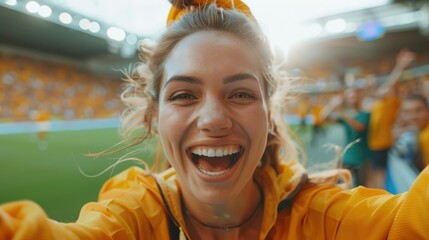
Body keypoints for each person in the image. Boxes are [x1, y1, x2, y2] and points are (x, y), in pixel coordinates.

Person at [1, 1, 428, 239]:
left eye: (240, 93)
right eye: (184, 94)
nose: (212, 118)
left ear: (269, 112)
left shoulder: (324, 219)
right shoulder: (135, 217)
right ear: (155, 115)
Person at [366, 49, 416, 189]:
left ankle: (383, 201)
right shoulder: (378, 103)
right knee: (374, 174)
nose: (384, 89)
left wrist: (400, 66)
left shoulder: (392, 101)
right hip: (374, 144)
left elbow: (391, 83)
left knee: (381, 175)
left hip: (383, 143)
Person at [322, 88, 370, 187]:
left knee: (361, 187)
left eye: (355, 96)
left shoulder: (365, 114)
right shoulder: (346, 117)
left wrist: (341, 112)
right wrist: (332, 104)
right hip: (347, 157)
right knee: (338, 186)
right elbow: (324, 118)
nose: (353, 99)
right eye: (351, 97)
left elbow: (359, 127)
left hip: (361, 159)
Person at [387, 94, 429, 193]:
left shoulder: (425, 137)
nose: (413, 116)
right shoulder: (421, 132)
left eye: (418, 110)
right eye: (407, 112)